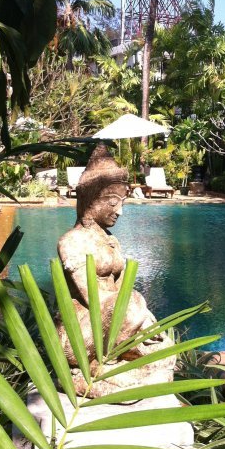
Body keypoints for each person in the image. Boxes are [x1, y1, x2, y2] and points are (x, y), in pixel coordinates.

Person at [56, 145, 157, 372]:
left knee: (162, 349)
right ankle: (104, 363)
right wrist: (137, 314)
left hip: (118, 322)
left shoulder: (112, 241)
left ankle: (119, 356)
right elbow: (94, 299)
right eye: (112, 203)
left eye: (122, 203)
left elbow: (122, 288)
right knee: (133, 303)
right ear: (90, 201)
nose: (119, 211)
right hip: (80, 332)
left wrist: (146, 319)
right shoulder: (71, 241)